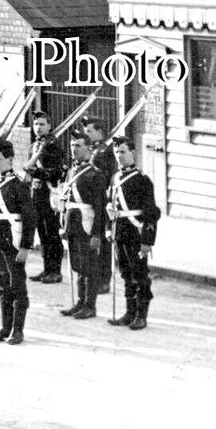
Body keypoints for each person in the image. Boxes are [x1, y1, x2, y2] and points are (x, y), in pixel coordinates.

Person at [0, 141, 37, 345]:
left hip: (13, 240)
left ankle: (17, 330)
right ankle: (5, 328)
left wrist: (25, 246)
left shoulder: (18, 185)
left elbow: (30, 216)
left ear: (10, 159)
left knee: (17, 286)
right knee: (3, 286)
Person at [107, 137, 161, 330]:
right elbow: (111, 206)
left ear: (132, 153)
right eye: (116, 152)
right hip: (120, 232)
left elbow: (151, 214)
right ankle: (129, 312)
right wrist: (108, 229)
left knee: (139, 274)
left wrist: (147, 241)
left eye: (123, 151)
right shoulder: (115, 178)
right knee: (126, 273)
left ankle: (141, 315)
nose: (119, 155)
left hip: (135, 233)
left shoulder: (142, 181)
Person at [58, 131, 108, 320]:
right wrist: (63, 225)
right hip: (72, 225)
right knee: (78, 266)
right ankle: (80, 302)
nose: (74, 149)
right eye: (72, 146)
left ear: (88, 148)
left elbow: (100, 208)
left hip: (87, 226)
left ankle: (90, 305)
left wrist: (97, 234)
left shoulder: (95, 175)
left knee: (90, 266)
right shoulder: (71, 171)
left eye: (78, 146)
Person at [23, 111, 65, 284]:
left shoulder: (53, 145)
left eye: (42, 124)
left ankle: (56, 271)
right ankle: (47, 268)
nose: (38, 128)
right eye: (36, 124)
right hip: (36, 193)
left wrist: (36, 172)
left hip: (49, 193)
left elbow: (57, 172)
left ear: (49, 126)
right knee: (42, 233)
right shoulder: (34, 145)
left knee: (52, 233)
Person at [84, 117, 116, 294]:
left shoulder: (107, 151)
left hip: (102, 199)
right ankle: (94, 278)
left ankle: (104, 280)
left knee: (102, 242)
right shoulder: (92, 149)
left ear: (100, 132)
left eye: (89, 131)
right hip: (89, 200)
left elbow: (106, 176)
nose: (86, 134)